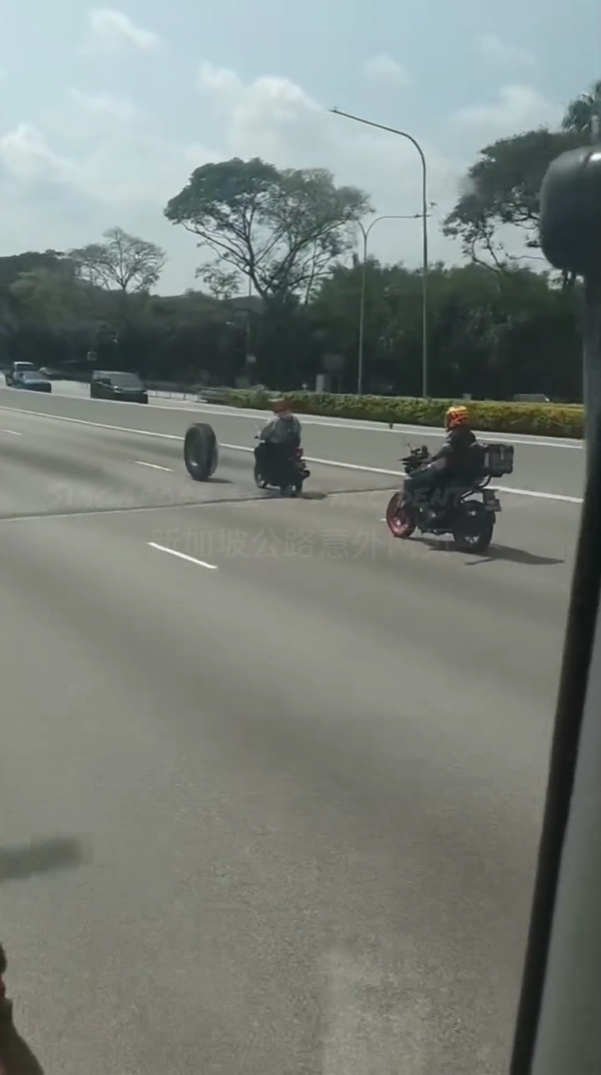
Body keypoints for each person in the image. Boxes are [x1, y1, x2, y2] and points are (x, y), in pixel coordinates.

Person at [402, 405, 477, 515]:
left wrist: (431, 459)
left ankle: (425, 506)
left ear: (454, 419)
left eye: (448, 418)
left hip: (452, 470)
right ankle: (438, 506)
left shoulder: (456, 435)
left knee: (417, 478)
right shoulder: (469, 435)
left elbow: (446, 450)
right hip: (463, 470)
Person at [255, 399, 302, 484]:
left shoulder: (275, 420)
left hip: (276, 446)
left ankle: (266, 474)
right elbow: (298, 432)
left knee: (259, 451)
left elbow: (265, 432)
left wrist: (260, 436)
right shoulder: (294, 419)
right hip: (291, 446)